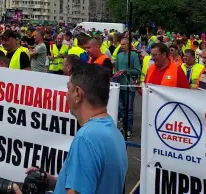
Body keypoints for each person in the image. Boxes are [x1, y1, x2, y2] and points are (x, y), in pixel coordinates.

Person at [12, 64, 127, 194]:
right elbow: (91, 184)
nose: (66, 95)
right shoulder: (115, 133)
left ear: (78, 93)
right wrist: (54, 181)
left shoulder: (86, 138)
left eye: (68, 89)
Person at [113, 38, 141, 139]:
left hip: (130, 86)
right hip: (120, 85)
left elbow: (137, 70)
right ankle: (123, 127)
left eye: (124, 44)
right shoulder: (119, 55)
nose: (121, 46)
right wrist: (116, 73)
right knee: (122, 108)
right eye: (121, 44)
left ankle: (129, 129)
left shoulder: (133, 55)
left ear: (129, 45)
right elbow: (116, 68)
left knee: (129, 108)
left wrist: (126, 71)